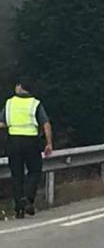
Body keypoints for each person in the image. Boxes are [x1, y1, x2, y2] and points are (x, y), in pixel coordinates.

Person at [0, 80, 52, 219]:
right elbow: (45, 124)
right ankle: (28, 199)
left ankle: (19, 210)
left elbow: (2, 123)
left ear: (20, 87)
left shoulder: (9, 103)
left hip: (13, 142)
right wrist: (49, 143)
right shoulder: (35, 104)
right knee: (34, 171)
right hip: (31, 142)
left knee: (16, 175)